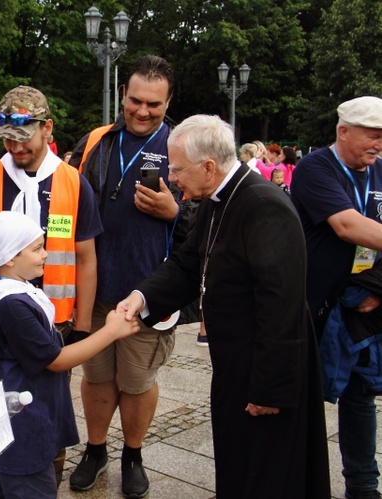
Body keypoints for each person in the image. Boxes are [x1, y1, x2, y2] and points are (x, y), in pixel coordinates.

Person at [118, 114, 331, 499]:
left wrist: (269, 389)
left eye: (179, 170)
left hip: (265, 368)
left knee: (266, 471)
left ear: (209, 167)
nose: (174, 179)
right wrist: (142, 296)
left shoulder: (264, 204)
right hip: (236, 360)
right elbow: (187, 263)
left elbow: (280, 303)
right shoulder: (218, 199)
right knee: (237, 460)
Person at [0, 85, 103, 486]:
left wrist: (84, 326)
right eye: (7, 139)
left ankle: (43, 480)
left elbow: (87, 258)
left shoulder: (73, 182)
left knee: (48, 414)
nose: (15, 148)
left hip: (56, 324)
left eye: (23, 138)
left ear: (47, 128)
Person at [67, 54, 194, 497]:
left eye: (154, 105)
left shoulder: (184, 147)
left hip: (150, 293)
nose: (142, 111)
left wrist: (175, 211)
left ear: (169, 101)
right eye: (135, 100)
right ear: (122, 94)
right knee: (97, 378)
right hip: (94, 290)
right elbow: (67, 203)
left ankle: (133, 455)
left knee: (137, 382)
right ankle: (96, 449)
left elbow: (209, 218)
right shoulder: (96, 141)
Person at [0, 210, 139, 498]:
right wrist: (110, 332)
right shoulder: (13, 305)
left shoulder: (4, 287)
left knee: (6, 482)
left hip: (9, 409)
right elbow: (56, 360)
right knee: (28, 483)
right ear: (10, 257)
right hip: (23, 419)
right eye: (37, 249)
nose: (46, 254)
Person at [291, 96, 382, 499]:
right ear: (343, 131)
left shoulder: (380, 170)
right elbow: (347, 226)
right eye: (372, 135)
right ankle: (293, 478)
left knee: (361, 395)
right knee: (300, 393)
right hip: (314, 304)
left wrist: (378, 289)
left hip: (364, 301)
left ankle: (363, 487)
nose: (379, 145)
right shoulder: (316, 167)